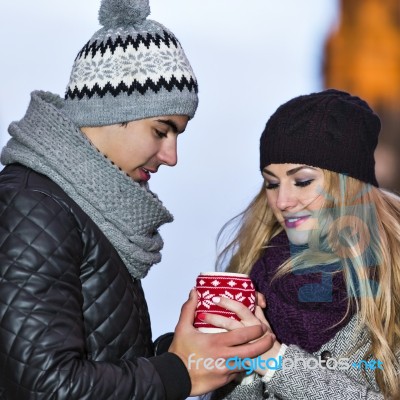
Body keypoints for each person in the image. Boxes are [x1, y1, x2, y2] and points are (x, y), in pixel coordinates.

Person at [0, 1, 274, 399]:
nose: (172, 156)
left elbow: (97, 359)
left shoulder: (87, 206)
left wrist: (191, 350)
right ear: (112, 109)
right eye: (162, 130)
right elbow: (46, 387)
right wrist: (177, 372)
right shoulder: (33, 206)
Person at [208, 89, 400, 399]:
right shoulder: (254, 269)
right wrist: (237, 360)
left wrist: (275, 361)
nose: (282, 201)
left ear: (348, 182)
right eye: (272, 183)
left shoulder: (392, 275)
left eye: (303, 181)